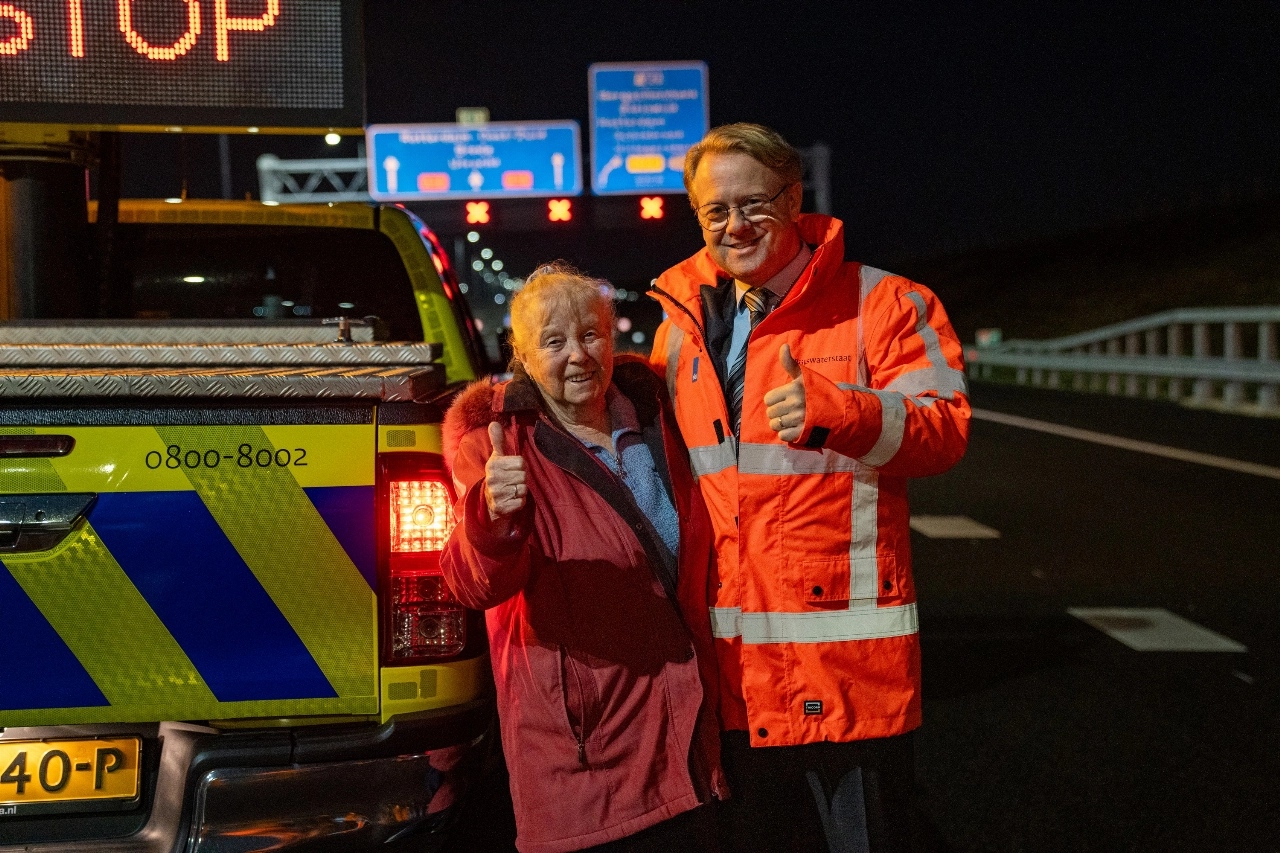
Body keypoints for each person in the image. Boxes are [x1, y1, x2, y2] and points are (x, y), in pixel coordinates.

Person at [648, 123, 971, 853]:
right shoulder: (682, 326)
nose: (735, 225)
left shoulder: (887, 304)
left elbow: (945, 430)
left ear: (795, 199)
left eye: (754, 203)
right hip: (731, 679)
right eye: (714, 211)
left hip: (848, 681)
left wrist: (839, 413)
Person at [441, 263, 726, 853]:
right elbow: (473, 585)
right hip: (584, 749)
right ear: (520, 352)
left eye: (591, 334)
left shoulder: (659, 417)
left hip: (687, 728)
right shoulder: (495, 444)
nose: (578, 355)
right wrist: (494, 517)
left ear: (612, 337)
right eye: (553, 341)